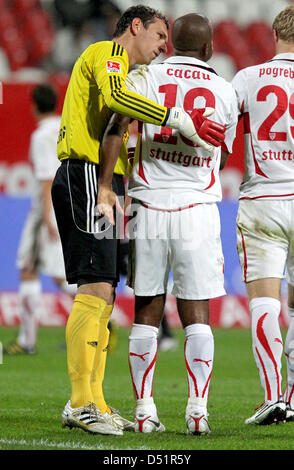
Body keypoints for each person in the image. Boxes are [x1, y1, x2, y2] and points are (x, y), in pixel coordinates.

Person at [51, 5, 225, 437]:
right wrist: (176, 117)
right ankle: (79, 403)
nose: (164, 47)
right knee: (94, 285)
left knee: (106, 287)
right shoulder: (108, 53)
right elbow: (114, 101)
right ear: (135, 27)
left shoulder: (131, 75)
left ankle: (96, 401)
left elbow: (116, 122)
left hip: (103, 179)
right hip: (86, 175)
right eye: (160, 38)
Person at [99, 13, 237, 435]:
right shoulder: (224, 89)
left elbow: (116, 126)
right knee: (198, 312)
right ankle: (197, 410)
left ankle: (144, 411)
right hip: (197, 207)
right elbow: (224, 156)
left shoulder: (145, 76)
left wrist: (107, 185)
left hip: (148, 204)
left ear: (172, 44)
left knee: (147, 309)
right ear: (210, 49)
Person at [231, 5, 294, 425]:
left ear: (274, 34)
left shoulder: (249, 77)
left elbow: (214, 127)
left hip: (264, 199)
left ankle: (273, 395)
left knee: (265, 301)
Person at [4, 84, 76, 356]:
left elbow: (47, 178)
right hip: (68, 205)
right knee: (59, 274)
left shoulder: (40, 135)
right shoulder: (64, 126)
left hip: (46, 209)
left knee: (27, 267)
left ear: (34, 105)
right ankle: (102, 318)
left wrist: (47, 218)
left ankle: (26, 340)